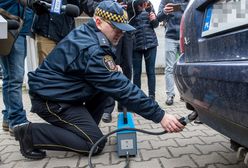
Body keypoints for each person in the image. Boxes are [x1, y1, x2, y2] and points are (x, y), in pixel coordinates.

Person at [13, 1, 184, 160]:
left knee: (106, 87)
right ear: (98, 21)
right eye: (115, 28)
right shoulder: (93, 49)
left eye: (122, 29)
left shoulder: (91, 34)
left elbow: (107, 79)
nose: (120, 33)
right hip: (50, 99)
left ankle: (81, 130)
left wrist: (111, 72)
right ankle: (29, 133)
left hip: (64, 94)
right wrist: (160, 116)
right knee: (93, 144)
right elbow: (123, 89)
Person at [0, 1, 33, 136]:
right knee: (15, 77)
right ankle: (18, 121)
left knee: (11, 77)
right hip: (9, 25)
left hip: (20, 27)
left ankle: (8, 117)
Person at [30, 0, 99, 64]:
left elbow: (77, 10)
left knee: (64, 69)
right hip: (45, 31)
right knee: (45, 69)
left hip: (66, 33)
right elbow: (32, 3)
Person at [157, 0, 189, 105]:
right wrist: (164, 12)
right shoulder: (165, 1)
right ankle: (170, 95)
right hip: (170, 37)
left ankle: (185, 94)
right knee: (169, 68)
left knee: (185, 67)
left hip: (184, 37)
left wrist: (180, 7)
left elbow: (191, 10)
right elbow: (158, 18)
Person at [129, 0, 158, 100]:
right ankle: (138, 97)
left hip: (151, 44)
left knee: (151, 71)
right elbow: (129, 22)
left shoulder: (149, 4)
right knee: (136, 72)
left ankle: (151, 97)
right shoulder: (131, 5)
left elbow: (155, 25)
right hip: (136, 44)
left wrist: (154, 20)